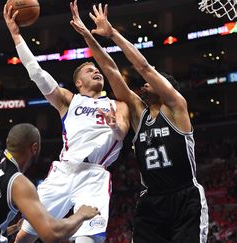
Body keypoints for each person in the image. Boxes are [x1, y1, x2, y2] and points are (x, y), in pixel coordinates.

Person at [69, 1, 209, 242]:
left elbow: (143, 67)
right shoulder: (138, 113)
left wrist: (112, 34)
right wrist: (87, 37)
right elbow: (111, 70)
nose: (144, 83)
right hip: (151, 201)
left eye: (151, 82)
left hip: (185, 197)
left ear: (165, 88)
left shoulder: (176, 108)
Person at [3, 4, 131, 243]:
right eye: (89, 70)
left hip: (94, 176)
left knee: (87, 240)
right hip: (63, 171)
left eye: (97, 70)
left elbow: (122, 132)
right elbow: (37, 73)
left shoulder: (118, 104)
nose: (96, 72)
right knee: (25, 237)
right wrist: (16, 35)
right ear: (78, 83)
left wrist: (114, 125)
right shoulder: (68, 100)